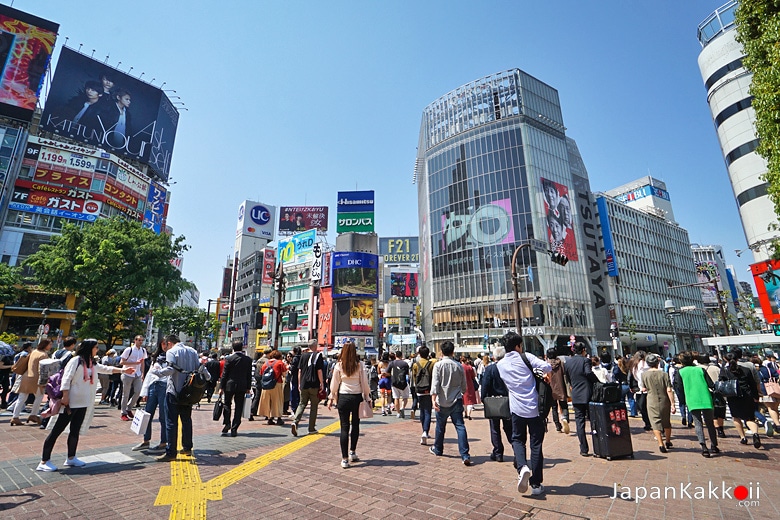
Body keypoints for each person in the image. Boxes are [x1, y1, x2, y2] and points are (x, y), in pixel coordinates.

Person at [36, 339, 132, 471]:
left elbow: (105, 369)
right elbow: (66, 379)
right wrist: (65, 396)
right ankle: (44, 461)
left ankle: (71, 458)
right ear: (89, 348)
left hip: (83, 403)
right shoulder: (75, 361)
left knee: (75, 431)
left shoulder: (91, 362)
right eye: (96, 347)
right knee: (56, 431)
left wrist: (123, 370)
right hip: (70, 403)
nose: (97, 349)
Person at [497, 332, 552, 496]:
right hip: (535, 409)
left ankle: (522, 467)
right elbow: (547, 367)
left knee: (518, 439)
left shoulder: (500, 365)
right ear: (518, 346)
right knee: (536, 445)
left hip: (516, 409)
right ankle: (536, 485)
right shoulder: (525, 357)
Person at [154, 335, 210, 462]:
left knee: (171, 422)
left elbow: (170, 370)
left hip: (174, 391)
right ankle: (187, 447)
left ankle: (171, 452)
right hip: (189, 392)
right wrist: (207, 377)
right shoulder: (193, 351)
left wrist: (156, 372)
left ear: (169, 343)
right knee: (186, 420)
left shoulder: (172, 352)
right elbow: (201, 369)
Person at [327, 342, 370, 468]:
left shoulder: (339, 365)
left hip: (343, 397)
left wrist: (331, 396)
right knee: (355, 425)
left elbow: (334, 384)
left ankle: (344, 459)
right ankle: (353, 452)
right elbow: (364, 383)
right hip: (356, 397)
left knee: (344, 427)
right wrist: (367, 396)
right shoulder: (359, 365)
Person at [429, 341, 471, 466]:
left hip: (441, 400)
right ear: (453, 351)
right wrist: (461, 393)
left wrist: (433, 399)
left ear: (441, 352)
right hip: (456, 399)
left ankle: (438, 449)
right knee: (460, 426)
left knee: (440, 427)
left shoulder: (438, 365)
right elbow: (464, 385)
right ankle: (465, 454)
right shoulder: (458, 366)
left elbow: (435, 384)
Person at [678, 351, 719, 457]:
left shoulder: (681, 372)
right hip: (705, 398)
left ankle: (703, 446)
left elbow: (679, 389)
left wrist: (682, 401)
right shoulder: (700, 370)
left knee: (698, 424)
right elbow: (711, 384)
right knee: (710, 423)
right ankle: (714, 445)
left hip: (692, 399)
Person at [132, 341, 169, 453]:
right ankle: (145, 441)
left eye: (166, 344)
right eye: (162, 344)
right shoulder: (156, 357)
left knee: (163, 416)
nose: (164, 346)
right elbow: (149, 374)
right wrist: (145, 392)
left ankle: (163, 443)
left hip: (165, 387)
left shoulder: (173, 356)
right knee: (147, 414)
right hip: (153, 386)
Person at [720, 350, 762, 448]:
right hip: (747, 395)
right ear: (738, 359)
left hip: (733, 396)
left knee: (736, 417)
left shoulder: (725, 371)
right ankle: (755, 434)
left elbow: (721, 383)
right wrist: (756, 397)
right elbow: (752, 384)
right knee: (750, 418)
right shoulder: (746, 369)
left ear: (726, 360)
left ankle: (743, 437)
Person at [563, 343, 599, 457]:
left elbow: (567, 377)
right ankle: (598, 447)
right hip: (587, 393)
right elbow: (588, 372)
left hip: (576, 394)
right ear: (583, 350)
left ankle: (583, 448)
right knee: (594, 421)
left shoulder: (567, 362)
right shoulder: (585, 360)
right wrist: (598, 382)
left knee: (580, 422)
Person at [481, 345, 512, 462]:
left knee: (495, 428)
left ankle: (498, 452)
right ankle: (516, 447)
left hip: (493, 401)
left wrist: (484, 399)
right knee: (509, 427)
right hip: (507, 400)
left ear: (494, 357)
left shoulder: (490, 369)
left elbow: (485, 385)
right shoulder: (509, 367)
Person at [12, 338, 52, 426]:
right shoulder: (43, 354)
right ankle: (33, 414)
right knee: (39, 396)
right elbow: (42, 370)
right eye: (50, 344)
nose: (51, 346)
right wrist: (43, 382)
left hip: (26, 376)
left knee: (22, 398)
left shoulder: (33, 352)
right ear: (45, 345)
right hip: (36, 379)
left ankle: (15, 417)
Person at [219, 339, 254, 437]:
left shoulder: (229, 359)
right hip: (242, 386)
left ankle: (227, 423)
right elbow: (248, 375)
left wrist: (221, 387)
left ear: (233, 348)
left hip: (229, 385)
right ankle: (235, 428)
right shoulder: (247, 360)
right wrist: (248, 387)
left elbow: (224, 374)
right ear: (242, 348)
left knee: (227, 404)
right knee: (239, 406)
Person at [642, 353, 675, 453]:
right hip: (664, 399)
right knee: (666, 421)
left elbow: (644, 388)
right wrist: (673, 404)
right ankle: (668, 441)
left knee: (655, 422)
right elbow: (669, 389)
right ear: (657, 363)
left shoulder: (644, 375)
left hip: (651, 400)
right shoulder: (664, 374)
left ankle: (661, 444)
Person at [291, 340, 325, 436]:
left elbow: (300, 371)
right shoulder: (318, 356)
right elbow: (319, 371)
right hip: (314, 384)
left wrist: (299, 383)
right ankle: (311, 428)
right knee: (314, 406)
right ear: (315, 346)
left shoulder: (303, 355)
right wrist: (322, 383)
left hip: (303, 383)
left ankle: (295, 421)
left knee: (302, 404)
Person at [411, 346, 436, 446]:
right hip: (429, 389)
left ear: (419, 354)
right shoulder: (431, 364)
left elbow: (414, 377)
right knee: (428, 411)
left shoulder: (415, 364)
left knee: (422, 410)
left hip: (419, 390)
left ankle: (424, 430)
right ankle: (426, 431)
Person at [119, 335, 147, 422]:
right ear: (135, 340)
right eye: (139, 340)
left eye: (142, 340)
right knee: (126, 394)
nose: (140, 342)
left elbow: (142, 363)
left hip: (137, 374)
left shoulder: (143, 350)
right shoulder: (129, 350)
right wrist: (135, 362)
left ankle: (129, 407)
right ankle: (123, 412)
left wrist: (142, 373)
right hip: (127, 373)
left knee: (138, 391)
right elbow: (122, 362)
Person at [257, 350, 287, 425]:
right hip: (276, 384)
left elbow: (261, 373)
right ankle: (279, 418)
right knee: (277, 401)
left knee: (268, 402)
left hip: (266, 385)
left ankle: (269, 418)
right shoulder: (280, 363)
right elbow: (284, 374)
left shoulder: (265, 364)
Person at [546, 349, 569, 434]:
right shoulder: (561, 363)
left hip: (551, 388)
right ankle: (565, 418)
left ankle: (557, 426)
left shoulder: (546, 364)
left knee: (554, 408)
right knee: (564, 405)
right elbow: (565, 374)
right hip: (561, 386)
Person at [629, 351, 652, 430]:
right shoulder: (647, 364)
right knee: (649, 407)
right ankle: (652, 422)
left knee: (642, 408)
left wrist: (632, 386)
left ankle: (647, 423)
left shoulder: (634, 365)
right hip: (648, 388)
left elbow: (631, 377)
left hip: (640, 389)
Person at [388, 350, 410, 418]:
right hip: (403, 382)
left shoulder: (392, 363)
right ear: (401, 356)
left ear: (395, 356)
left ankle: (398, 413)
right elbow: (407, 373)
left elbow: (388, 372)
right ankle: (402, 408)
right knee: (405, 397)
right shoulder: (405, 364)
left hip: (394, 382)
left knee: (396, 398)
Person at [289, 346, 302, 413]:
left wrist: (289, 367)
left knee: (293, 393)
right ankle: (298, 408)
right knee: (298, 394)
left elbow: (292, 368)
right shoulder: (302, 357)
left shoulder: (295, 359)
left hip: (294, 378)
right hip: (301, 378)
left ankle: (294, 409)